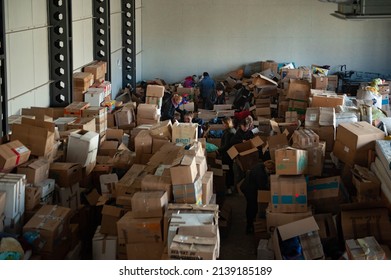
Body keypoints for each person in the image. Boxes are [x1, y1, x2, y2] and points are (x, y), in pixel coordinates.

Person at [241, 162, 269, 234]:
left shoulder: (259, 166)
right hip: (249, 190)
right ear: (267, 167)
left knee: (251, 206)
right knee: (252, 207)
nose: (269, 172)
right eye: (270, 170)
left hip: (248, 187)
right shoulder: (261, 173)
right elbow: (261, 186)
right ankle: (249, 226)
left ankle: (250, 223)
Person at [217, 117, 236, 194]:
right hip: (230, 154)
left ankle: (229, 187)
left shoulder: (229, 132)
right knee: (230, 170)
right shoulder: (232, 130)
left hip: (227, 155)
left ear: (227, 123)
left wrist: (218, 150)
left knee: (227, 170)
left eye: (223, 123)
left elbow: (226, 145)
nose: (223, 125)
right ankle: (230, 186)